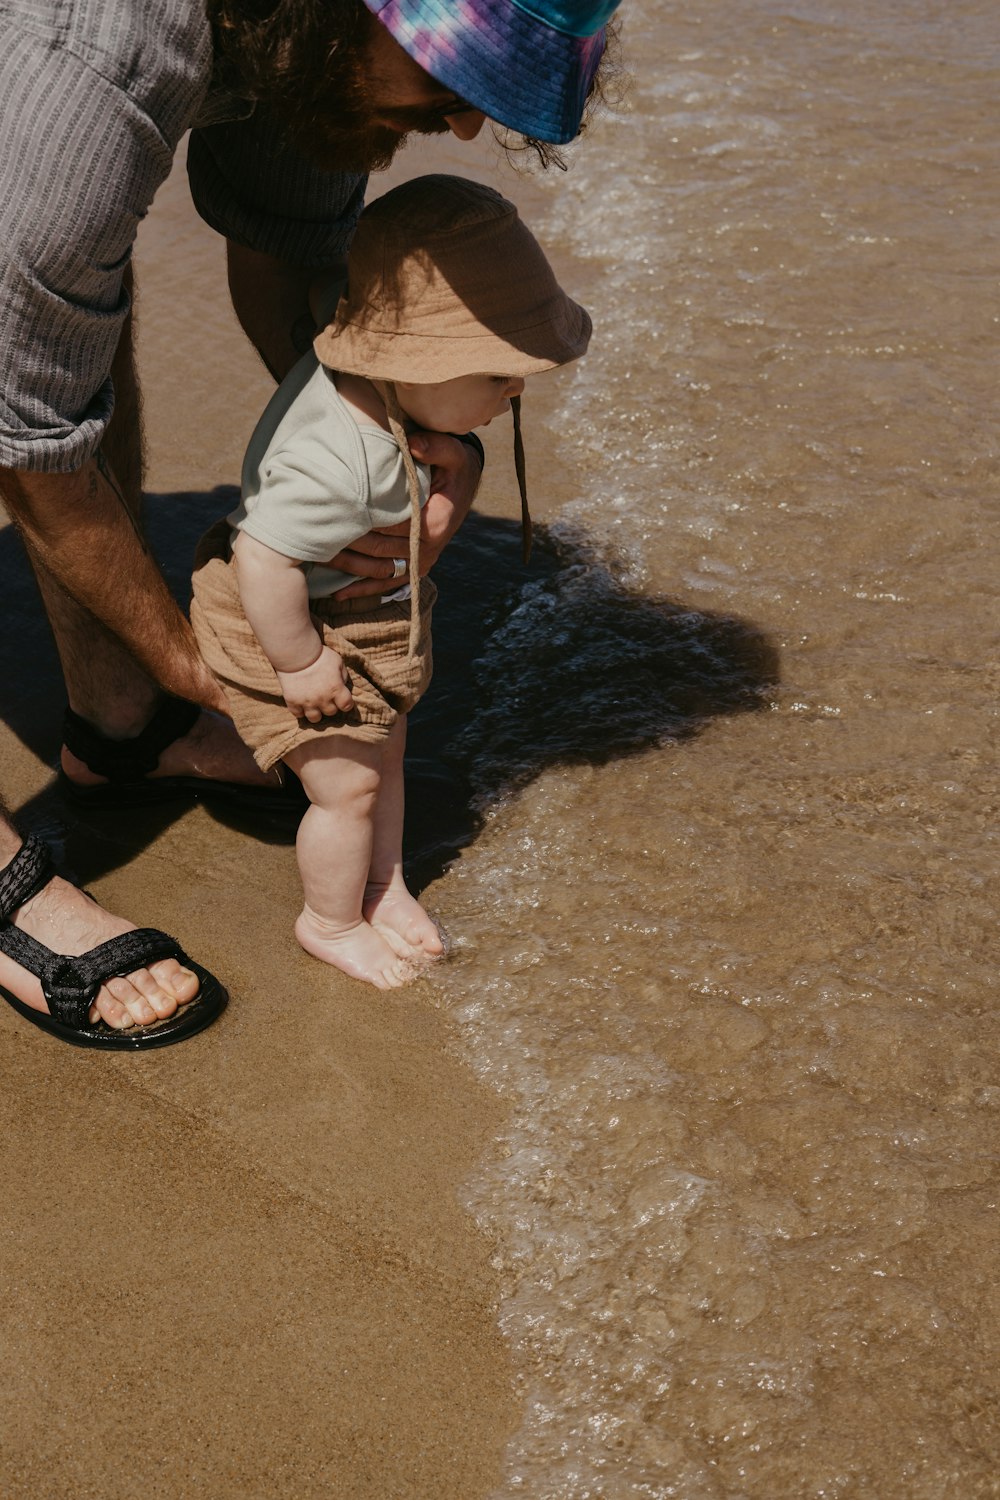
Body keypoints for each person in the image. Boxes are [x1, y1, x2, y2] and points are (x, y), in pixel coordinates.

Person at [0, 0, 619, 1046]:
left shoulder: (310, 46)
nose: (466, 125)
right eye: (445, 68)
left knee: (72, 337)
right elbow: (32, 445)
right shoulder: (78, 78)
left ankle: (124, 735)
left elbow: (302, 281)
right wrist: (213, 671)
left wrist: (432, 445)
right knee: (36, 370)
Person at [189, 175, 591, 989]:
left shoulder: (370, 348)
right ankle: (329, 921)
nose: (513, 390)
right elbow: (262, 557)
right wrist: (301, 665)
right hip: (285, 617)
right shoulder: (335, 462)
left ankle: (382, 886)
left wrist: (461, 467)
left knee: (387, 752)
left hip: (347, 597)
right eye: (494, 374)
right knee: (347, 788)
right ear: (408, 361)